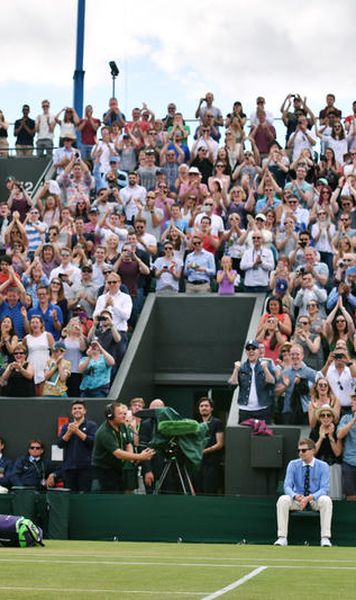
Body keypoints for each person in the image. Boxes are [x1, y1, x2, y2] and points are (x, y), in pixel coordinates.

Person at [274, 438, 333, 547]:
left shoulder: (323, 466)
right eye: (299, 450)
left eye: (304, 450)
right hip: (298, 499)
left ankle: (325, 538)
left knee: (326, 500)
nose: (301, 453)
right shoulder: (293, 464)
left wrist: (310, 497)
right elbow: (287, 486)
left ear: (313, 451)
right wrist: (295, 496)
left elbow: (324, 488)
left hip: (314, 499)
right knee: (282, 500)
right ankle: (282, 538)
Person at [91, 402, 155, 492]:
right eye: (120, 414)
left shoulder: (122, 425)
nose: (124, 416)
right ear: (110, 416)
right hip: (103, 470)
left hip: (117, 468)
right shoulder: (104, 432)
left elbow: (128, 443)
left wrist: (131, 457)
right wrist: (140, 456)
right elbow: (118, 453)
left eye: (124, 413)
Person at [229, 339, 275, 423]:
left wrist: (265, 368)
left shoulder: (266, 365)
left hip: (262, 409)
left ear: (258, 350)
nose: (251, 351)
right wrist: (236, 370)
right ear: (246, 352)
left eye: (253, 349)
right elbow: (232, 385)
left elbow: (271, 382)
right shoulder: (241, 367)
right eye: (248, 349)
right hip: (245, 410)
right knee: (244, 435)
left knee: (263, 434)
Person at [57, 400, 97, 491]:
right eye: (74, 408)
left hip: (85, 468)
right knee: (70, 497)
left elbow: (93, 442)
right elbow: (60, 444)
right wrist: (69, 432)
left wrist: (78, 432)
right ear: (71, 412)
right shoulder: (66, 426)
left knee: (84, 496)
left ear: (84, 411)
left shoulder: (91, 425)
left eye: (80, 408)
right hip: (69, 468)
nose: (77, 410)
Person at [309, 404, 342, 500]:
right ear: (319, 418)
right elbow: (312, 453)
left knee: (334, 496)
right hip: (318, 467)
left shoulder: (338, 430)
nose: (326, 417)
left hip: (334, 467)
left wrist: (331, 436)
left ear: (332, 417)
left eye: (328, 415)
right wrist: (320, 437)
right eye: (323, 415)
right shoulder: (314, 431)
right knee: (319, 498)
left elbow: (338, 453)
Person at [195, 397, 224, 495]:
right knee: (199, 490)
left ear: (211, 408)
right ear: (199, 409)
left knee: (210, 491)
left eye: (206, 406)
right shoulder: (197, 425)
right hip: (199, 463)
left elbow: (220, 444)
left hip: (212, 463)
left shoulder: (217, 422)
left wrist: (203, 451)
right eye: (201, 406)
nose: (204, 408)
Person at [337, 391, 356, 500]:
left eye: (355, 400)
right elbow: (339, 435)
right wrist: (353, 420)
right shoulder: (346, 418)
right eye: (352, 399)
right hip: (349, 463)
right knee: (351, 497)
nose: (352, 402)